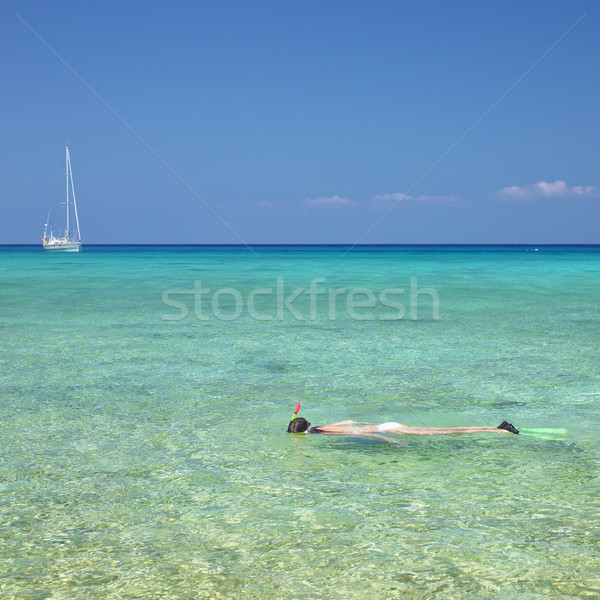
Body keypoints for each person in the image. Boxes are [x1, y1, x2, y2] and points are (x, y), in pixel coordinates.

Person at [287, 417, 519, 443]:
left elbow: (360, 433)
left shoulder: (325, 433)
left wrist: (390, 441)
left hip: (391, 430)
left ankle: (500, 431)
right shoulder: (323, 426)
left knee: (446, 432)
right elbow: (349, 421)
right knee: (445, 429)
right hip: (388, 424)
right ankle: (495, 427)